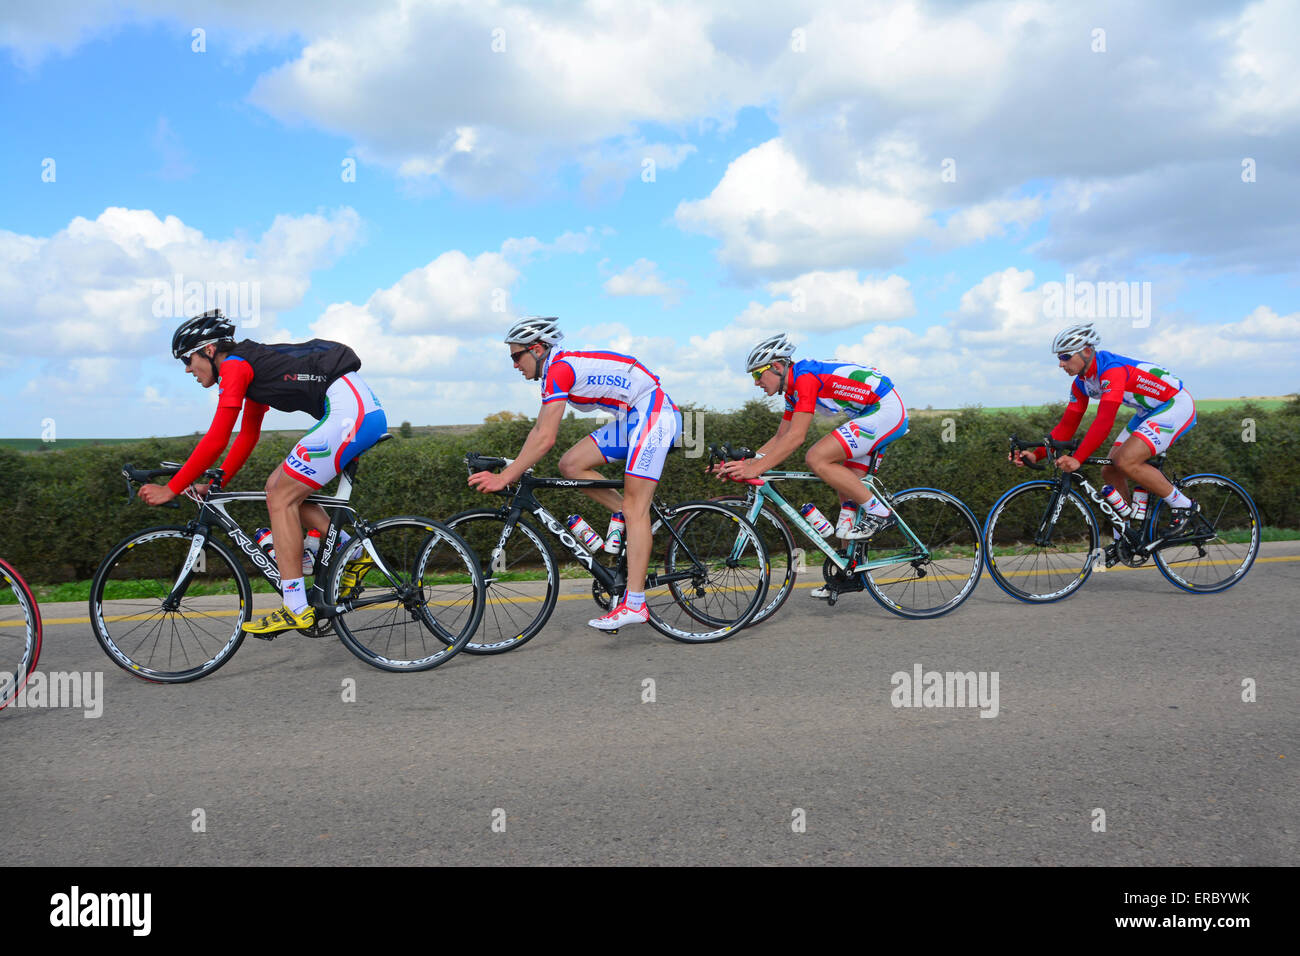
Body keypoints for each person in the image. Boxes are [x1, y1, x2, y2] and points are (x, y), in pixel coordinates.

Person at [139, 310, 387, 635]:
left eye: (188, 359)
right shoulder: (249, 366)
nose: (187, 368)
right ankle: (347, 547)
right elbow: (247, 435)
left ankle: (296, 606)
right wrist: (216, 482)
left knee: (280, 496)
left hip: (350, 414)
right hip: (354, 410)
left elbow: (217, 438)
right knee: (278, 487)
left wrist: (171, 488)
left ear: (209, 350)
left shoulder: (235, 366)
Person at [468, 317, 682, 631]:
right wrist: (516, 466)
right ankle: (634, 518)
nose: (514, 364)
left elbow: (546, 439)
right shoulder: (554, 371)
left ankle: (635, 603)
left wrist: (505, 478)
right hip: (635, 416)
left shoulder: (560, 370)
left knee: (636, 510)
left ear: (538, 348)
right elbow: (539, 430)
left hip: (654, 413)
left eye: (517, 356)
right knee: (571, 465)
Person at [718, 333, 909, 598]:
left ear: (776, 366)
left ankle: (880, 513)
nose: (757, 383)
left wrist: (756, 469)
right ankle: (849, 573)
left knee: (816, 458)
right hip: (868, 413)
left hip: (884, 409)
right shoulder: (793, 392)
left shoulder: (805, 378)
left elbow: (797, 437)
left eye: (758, 375)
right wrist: (745, 464)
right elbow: (780, 437)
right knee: (847, 492)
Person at [1010, 322, 1198, 528]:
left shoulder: (1112, 371)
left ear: (1087, 351)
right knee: (1109, 470)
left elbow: (1104, 420)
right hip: (1147, 412)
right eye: (1059, 358)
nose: (1061, 364)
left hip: (1174, 405)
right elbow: (1067, 425)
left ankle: (1184, 505)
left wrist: (1078, 459)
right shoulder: (1082, 382)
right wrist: (1037, 454)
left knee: (1126, 461)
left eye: (1065, 357)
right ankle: (1125, 534)